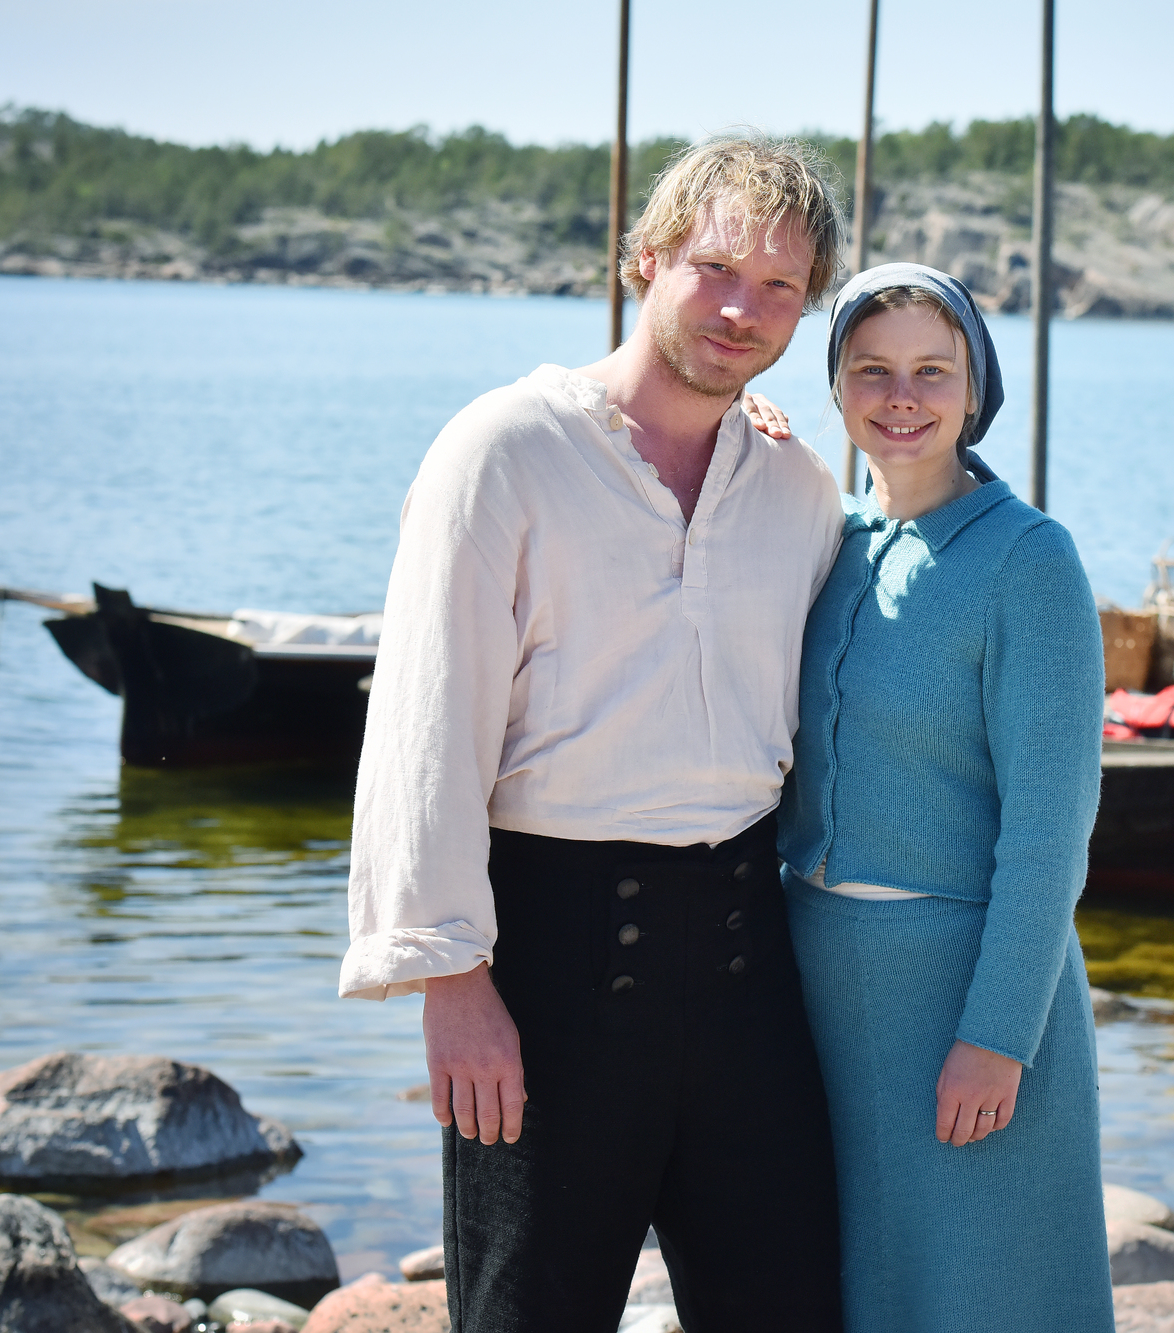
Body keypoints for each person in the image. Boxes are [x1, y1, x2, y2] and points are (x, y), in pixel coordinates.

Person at [339, 135, 850, 1333]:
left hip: (750, 970)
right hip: (550, 964)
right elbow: (424, 728)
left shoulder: (795, 488)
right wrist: (452, 979)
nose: (741, 310)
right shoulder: (504, 452)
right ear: (647, 257)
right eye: (716, 268)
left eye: (779, 286)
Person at [772, 262, 1116, 1332]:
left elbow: (1049, 834)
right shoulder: (826, 541)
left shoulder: (1028, 560)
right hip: (820, 998)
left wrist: (999, 1035)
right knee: (857, 1293)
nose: (901, 397)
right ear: (836, 388)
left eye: (932, 369)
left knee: (985, 1293)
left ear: (976, 388)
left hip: (964, 1002)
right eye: (870, 370)